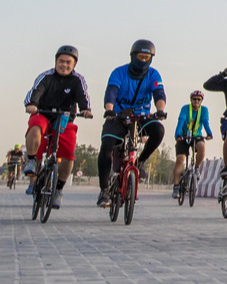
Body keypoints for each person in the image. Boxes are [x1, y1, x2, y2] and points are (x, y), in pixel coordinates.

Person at [98, 39, 167, 208]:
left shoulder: (153, 74)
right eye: (140, 57)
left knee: (158, 130)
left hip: (142, 116)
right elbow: (111, 92)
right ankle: (104, 190)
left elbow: (159, 94)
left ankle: (139, 162)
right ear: (132, 56)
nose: (143, 61)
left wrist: (160, 110)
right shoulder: (119, 72)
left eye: (146, 57)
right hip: (119, 116)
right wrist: (109, 109)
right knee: (107, 144)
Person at [22, 45, 93, 208]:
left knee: (68, 152)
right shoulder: (46, 77)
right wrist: (32, 104)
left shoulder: (77, 80)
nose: (64, 65)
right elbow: (35, 92)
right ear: (56, 62)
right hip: (43, 113)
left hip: (65, 118)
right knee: (35, 126)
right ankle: (32, 162)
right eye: (61, 61)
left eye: (68, 62)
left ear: (74, 64)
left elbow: (83, 97)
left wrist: (85, 110)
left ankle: (59, 189)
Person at [171, 90, 213, 198]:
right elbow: (180, 121)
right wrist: (177, 134)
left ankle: (197, 168)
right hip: (184, 135)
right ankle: (176, 187)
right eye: (194, 99)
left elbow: (205, 122)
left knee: (202, 146)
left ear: (202, 101)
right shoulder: (185, 109)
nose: (196, 101)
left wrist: (209, 133)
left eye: (199, 99)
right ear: (191, 100)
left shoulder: (204, 110)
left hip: (196, 136)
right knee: (180, 159)